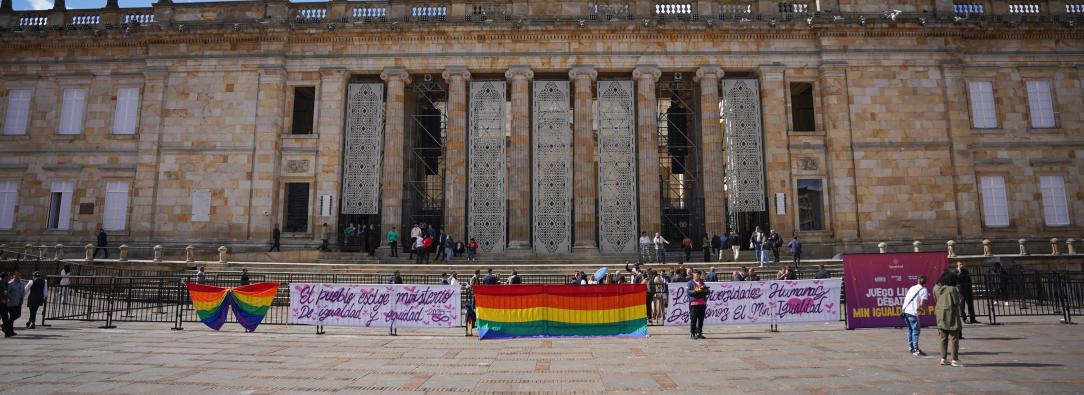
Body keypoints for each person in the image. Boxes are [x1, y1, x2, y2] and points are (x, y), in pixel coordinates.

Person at [934, 270, 964, 367]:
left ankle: (943, 358)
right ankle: (954, 359)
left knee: (943, 338)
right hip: (951, 315)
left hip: (940, 315)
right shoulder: (952, 289)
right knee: (954, 338)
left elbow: (936, 300)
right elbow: (957, 302)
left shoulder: (936, 288)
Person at [902, 275, 930, 357]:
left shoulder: (912, 287)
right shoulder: (924, 289)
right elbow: (922, 303)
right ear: (925, 282)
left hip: (905, 311)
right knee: (916, 331)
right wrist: (926, 311)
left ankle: (911, 347)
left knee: (910, 330)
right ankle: (915, 349)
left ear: (917, 281)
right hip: (913, 312)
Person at [687, 271, 709, 339]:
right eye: (695, 275)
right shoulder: (690, 283)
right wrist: (696, 291)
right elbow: (688, 292)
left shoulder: (702, 282)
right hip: (694, 303)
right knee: (693, 319)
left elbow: (708, 292)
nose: (697, 277)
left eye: (698, 275)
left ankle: (699, 333)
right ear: (693, 276)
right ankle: (692, 333)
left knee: (701, 319)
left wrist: (706, 291)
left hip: (702, 303)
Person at [0, 272, 12, 337]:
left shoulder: (5, 283)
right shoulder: (2, 283)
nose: (9, 277)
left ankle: (7, 331)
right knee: (5, 318)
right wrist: (1, 299)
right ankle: (7, 332)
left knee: (5, 318)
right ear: (5, 277)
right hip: (2, 303)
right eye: (8, 276)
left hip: (4, 303)